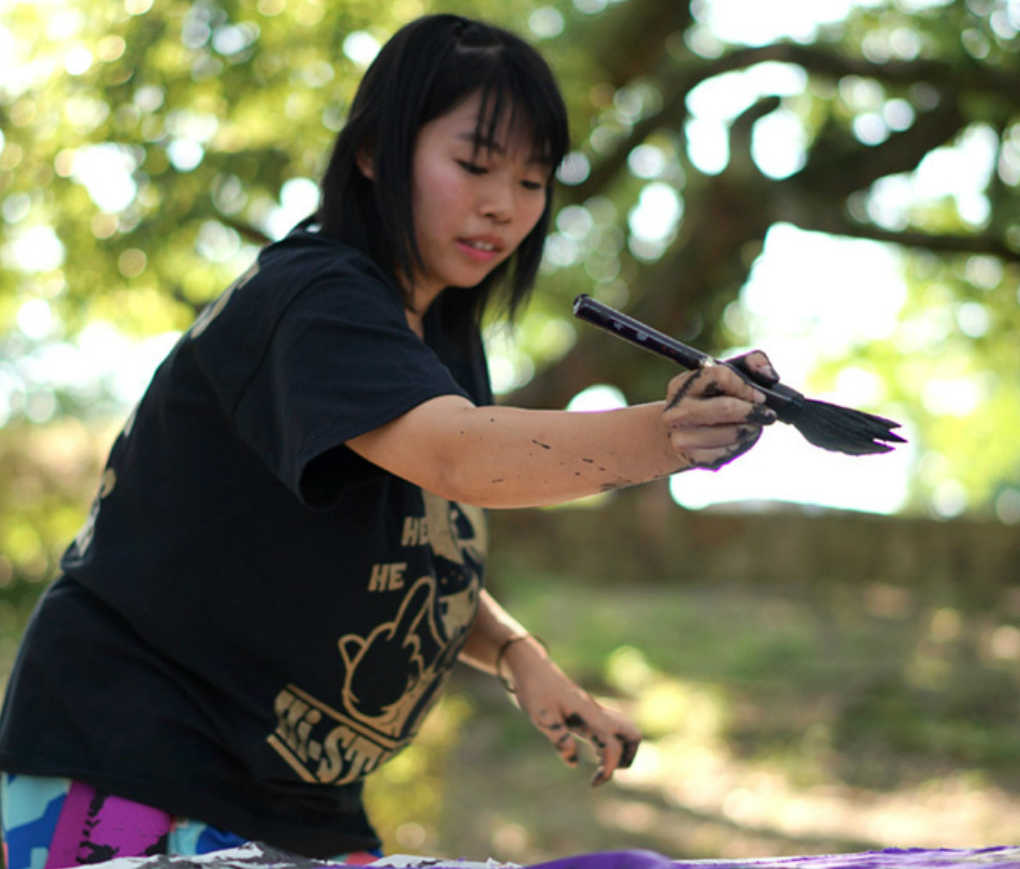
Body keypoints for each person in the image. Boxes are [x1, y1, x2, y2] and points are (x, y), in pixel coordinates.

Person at [0, 13, 779, 868]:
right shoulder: (316, 299)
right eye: (475, 165)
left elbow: (419, 549)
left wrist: (519, 655)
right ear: (373, 151)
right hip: (132, 767)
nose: (503, 206)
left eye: (533, 179)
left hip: (298, 803)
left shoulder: (440, 336)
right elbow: (464, 457)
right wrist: (670, 434)